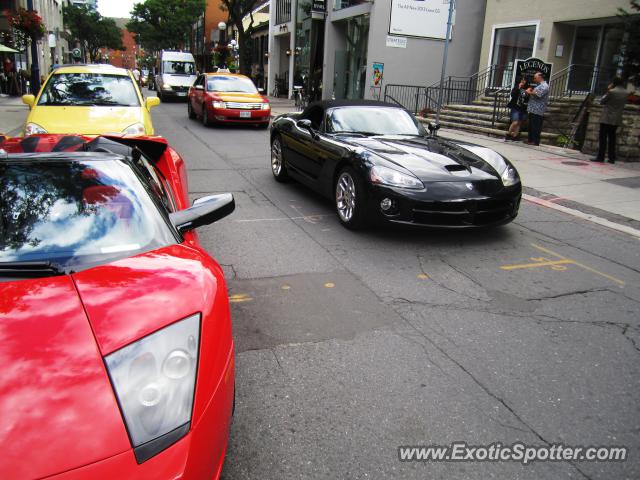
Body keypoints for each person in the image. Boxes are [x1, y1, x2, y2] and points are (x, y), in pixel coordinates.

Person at [592, 77, 628, 164]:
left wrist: (608, 89)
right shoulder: (626, 92)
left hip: (607, 118)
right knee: (612, 138)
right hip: (616, 119)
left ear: (614, 82)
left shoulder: (612, 91)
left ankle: (601, 157)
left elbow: (602, 101)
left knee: (603, 137)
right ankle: (612, 158)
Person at [525, 72, 549, 146]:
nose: (534, 79)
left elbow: (538, 94)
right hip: (533, 109)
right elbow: (535, 92)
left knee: (536, 126)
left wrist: (529, 92)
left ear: (540, 77)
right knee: (531, 125)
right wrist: (531, 91)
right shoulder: (539, 85)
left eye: (535, 78)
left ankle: (535, 141)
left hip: (538, 110)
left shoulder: (545, 86)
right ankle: (530, 140)